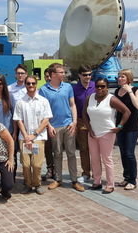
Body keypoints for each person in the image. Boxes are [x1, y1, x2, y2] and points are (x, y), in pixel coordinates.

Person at [39, 63, 84, 192]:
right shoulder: (43, 90)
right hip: (54, 127)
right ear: (53, 74)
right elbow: (43, 111)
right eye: (61, 72)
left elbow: (72, 105)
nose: (64, 74)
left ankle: (74, 180)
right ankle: (58, 179)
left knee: (71, 153)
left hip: (68, 125)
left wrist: (74, 121)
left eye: (64, 72)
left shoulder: (68, 87)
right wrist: (49, 126)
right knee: (57, 153)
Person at [83, 78, 131, 194]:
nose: (100, 88)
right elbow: (84, 114)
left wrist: (120, 126)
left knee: (107, 159)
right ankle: (97, 181)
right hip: (93, 133)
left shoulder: (111, 99)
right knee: (94, 159)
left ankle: (110, 184)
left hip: (107, 133)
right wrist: (89, 130)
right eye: (98, 86)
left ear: (107, 87)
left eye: (103, 86)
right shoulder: (90, 98)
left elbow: (127, 112)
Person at [13, 75, 52, 195]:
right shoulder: (20, 102)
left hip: (38, 138)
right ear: (25, 85)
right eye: (28, 83)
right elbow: (19, 120)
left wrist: (34, 134)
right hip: (24, 138)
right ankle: (28, 184)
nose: (31, 86)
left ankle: (37, 184)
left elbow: (46, 119)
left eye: (33, 83)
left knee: (36, 164)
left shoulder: (43, 101)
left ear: (36, 84)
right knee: (25, 164)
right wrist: (26, 136)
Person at [115, 69, 138, 190]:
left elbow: (137, 105)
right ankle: (126, 177)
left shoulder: (136, 90)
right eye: (119, 77)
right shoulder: (116, 91)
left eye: (123, 77)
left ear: (129, 79)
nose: (120, 79)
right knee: (123, 153)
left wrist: (130, 91)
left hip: (132, 126)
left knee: (130, 153)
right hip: (120, 125)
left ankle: (133, 180)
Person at [72, 65, 96, 183]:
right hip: (81, 121)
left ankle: (97, 173)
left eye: (90, 74)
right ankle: (86, 173)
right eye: (85, 75)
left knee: (96, 149)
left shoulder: (96, 86)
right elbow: (72, 106)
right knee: (84, 148)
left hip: (95, 121)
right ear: (79, 75)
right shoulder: (74, 89)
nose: (88, 77)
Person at [8, 64, 27, 180]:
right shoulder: (10, 89)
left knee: (27, 150)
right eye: (18, 73)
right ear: (15, 74)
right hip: (14, 123)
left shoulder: (30, 87)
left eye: (22, 73)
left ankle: (28, 178)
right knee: (13, 150)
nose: (20, 75)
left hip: (27, 123)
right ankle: (12, 176)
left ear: (26, 74)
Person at [41, 67, 55, 181]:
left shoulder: (63, 87)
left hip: (60, 123)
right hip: (47, 124)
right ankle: (50, 169)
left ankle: (57, 171)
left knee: (58, 149)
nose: (48, 78)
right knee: (48, 149)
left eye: (50, 76)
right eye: (46, 76)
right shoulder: (42, 90)